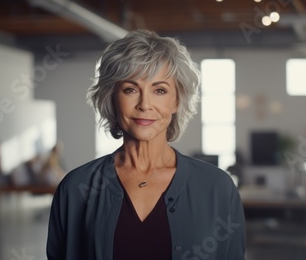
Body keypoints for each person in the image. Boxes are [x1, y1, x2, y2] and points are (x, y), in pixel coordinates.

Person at [46, 30, 245, 260]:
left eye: (159, 90)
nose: (145, 104)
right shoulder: (76, 188)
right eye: (131, 89)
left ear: (177, 101)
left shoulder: (217, 188)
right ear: (112, 97)